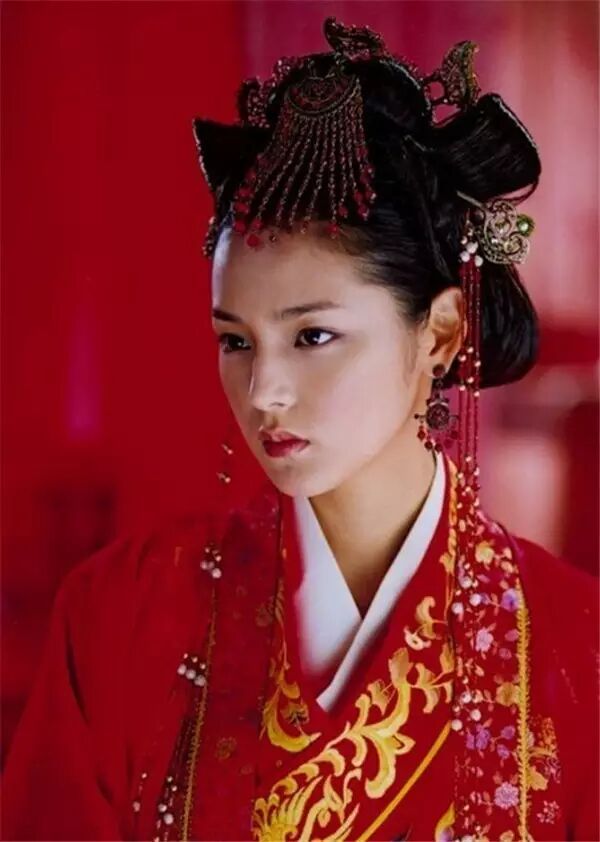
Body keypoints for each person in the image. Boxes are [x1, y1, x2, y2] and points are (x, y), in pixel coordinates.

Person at [2, 17, 598, 842]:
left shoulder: (577, 651)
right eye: (235, 341)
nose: (265, 390)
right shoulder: (119, 615)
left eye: (313, 335)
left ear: (440, 333)